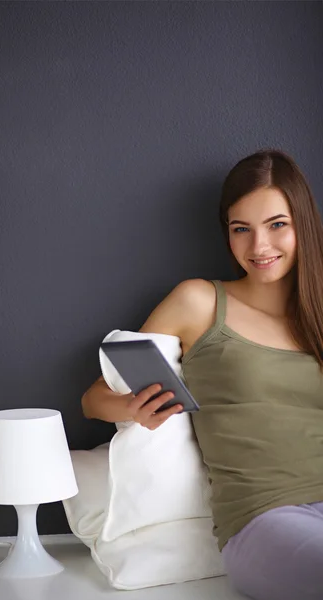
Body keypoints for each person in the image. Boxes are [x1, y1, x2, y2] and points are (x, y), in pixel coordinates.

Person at [81, 149, 323, 600]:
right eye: (241, 230)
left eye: (277, 225)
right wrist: (132, 409)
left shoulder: (318, 314)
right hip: (264, 519)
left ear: (302, 224)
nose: (259, 247)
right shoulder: (199, 302)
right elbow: (92, 398)